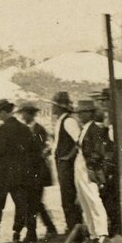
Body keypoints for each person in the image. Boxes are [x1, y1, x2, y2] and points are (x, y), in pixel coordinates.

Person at [0, 99, 33, 243]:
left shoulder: (4, 129)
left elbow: (0, 151)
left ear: (4, 112)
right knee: (20, 204)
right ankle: (17, 233)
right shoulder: (24, 128)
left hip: (2, 173)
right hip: (19, 173)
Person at [72, 97, 113, 242]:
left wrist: (91, 166)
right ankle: (93, 233)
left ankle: (102, 232)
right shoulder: (85, 129)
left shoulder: (95, 129)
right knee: (84, 200)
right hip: (80, 165)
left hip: (87, 166)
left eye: (82, 113)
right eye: (79, 113)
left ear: (90, 113)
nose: (79, 115)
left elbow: (97, 151)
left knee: (93, 198)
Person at [17, 101, 58, 241]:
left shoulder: (39, 130)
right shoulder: (23, 129)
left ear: (31, 114)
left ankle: (32, 233)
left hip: (37, 170)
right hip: (27, 170)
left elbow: (42, 147)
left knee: (33, 202)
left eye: (25, 113)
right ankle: (50, 227)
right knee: (35, 202)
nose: (23, 116)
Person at [51, 92, 84, 232]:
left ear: (60, 107)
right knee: (66, 196)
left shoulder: (68, 121)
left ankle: (75, 227)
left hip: (67, 165)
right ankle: (72, 226)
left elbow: (79, 141)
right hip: (61, 163)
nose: (52, 109)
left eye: (54, 106)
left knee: (69, 196)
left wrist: (68, 157)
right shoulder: (61, 121)